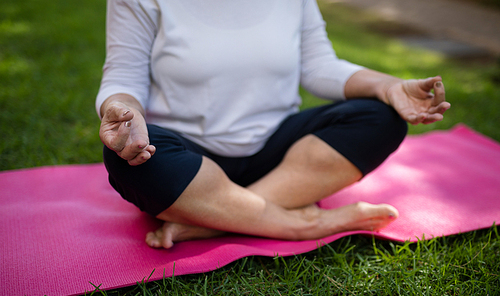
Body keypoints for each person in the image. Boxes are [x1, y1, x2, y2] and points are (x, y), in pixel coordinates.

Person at [96, 0, 450, 249]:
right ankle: (301, 223)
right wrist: (121, 108)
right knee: (125, 156)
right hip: (189, 165)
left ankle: (214, 220)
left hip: (277, 156)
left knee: (382, 117)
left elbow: (318, 65)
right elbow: (125, 74)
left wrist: (387, 86)